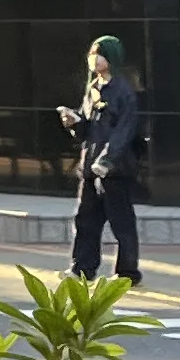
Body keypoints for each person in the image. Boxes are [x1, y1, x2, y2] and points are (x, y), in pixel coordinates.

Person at [67, 36, 146, 286]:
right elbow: (87, 128)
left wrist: (108, 160)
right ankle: (82, 268)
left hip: (115, 170)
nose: (94, 59)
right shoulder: (93, 88)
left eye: (98, 54)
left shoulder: (124, 92)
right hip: (90, 166)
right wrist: (74, 123)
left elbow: (125, 130)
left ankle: (127, 274)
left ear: (110, 58)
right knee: (85, 220)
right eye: (92, 54)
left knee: (121, 223)